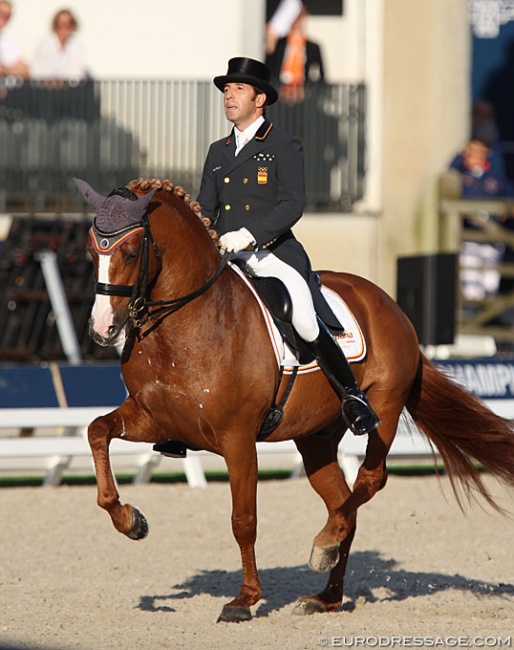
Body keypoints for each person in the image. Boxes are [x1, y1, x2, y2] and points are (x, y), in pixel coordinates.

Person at [198, 57, 379, 437]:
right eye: (226, 91)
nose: (229, 96)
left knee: (300, 314)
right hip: (227, 256)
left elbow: (291, 205)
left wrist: (249, 235)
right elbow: (206, 208)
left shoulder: (282, 144)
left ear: (259, 98)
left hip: (270, 253)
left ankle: (352, 397)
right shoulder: (218, 151)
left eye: (238, 90)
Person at [265, 3, 324, 105]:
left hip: (303, 100)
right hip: (281, 98)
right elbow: (269, 69)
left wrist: (308, 92)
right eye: (293, 16)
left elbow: (321, 76)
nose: (296, 20)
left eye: (299, 16)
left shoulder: (313, 48)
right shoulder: (280, 45)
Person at [30, 8, 87, 82]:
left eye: (68, 23)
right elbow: (40, 70)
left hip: (70, 88)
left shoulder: (76, 44)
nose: (65, 26)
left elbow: (77, 70)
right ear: (56, 24)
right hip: (47, 88)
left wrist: (66, 82)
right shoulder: (45, 44)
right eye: (61, 23)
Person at [0, 0, 28, 78]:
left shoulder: (8, 41)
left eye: (7, 15)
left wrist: (4, 69)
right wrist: (10, 69)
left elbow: (24, 70)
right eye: (1, 13)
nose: (3, 18)